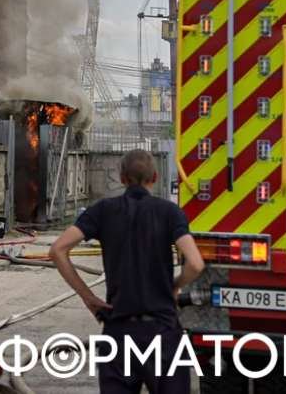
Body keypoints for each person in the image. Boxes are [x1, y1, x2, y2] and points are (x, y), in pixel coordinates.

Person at [49, 149, 205, 393]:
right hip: (163, 332)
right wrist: (174, 287)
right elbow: (195, 263)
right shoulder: (170, 212)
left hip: (118, 332)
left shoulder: (102, 210)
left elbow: (58, 250)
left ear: (122, 178)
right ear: (155, 178)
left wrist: (88, 297)